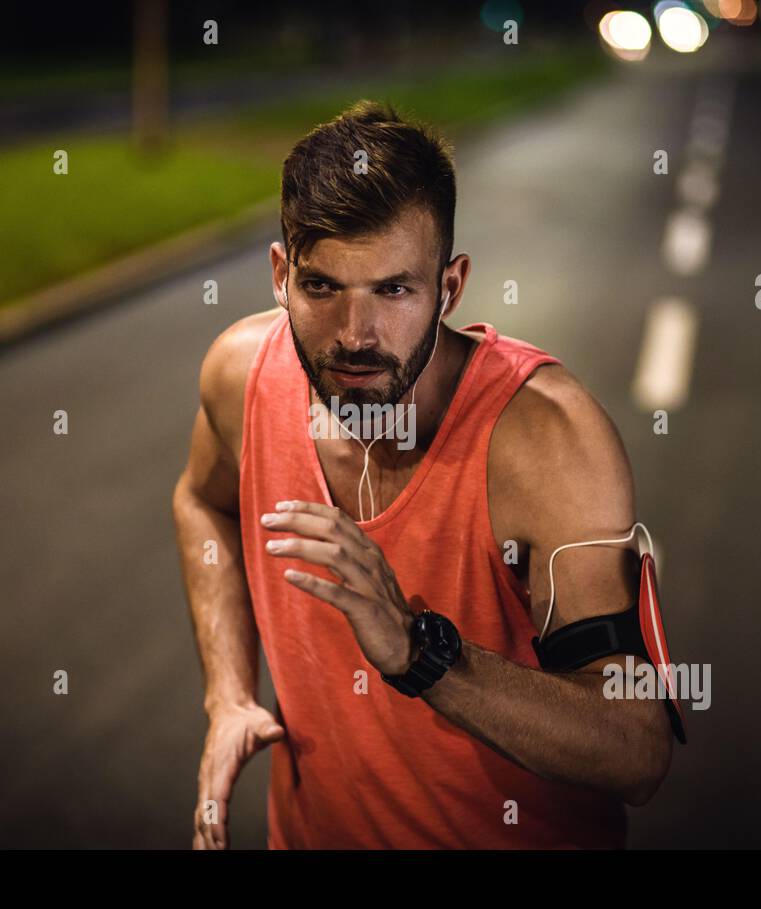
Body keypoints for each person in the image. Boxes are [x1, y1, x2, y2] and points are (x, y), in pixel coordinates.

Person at [172, 100, 674, 849]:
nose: (354, 335)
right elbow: (202, 504)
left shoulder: (545, 439)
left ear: (450, 287)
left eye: (394, 290)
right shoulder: (240, 374)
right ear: (281, 275)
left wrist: (419, 650)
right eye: (321, 288)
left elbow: (636, 748)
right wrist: (230, 696)